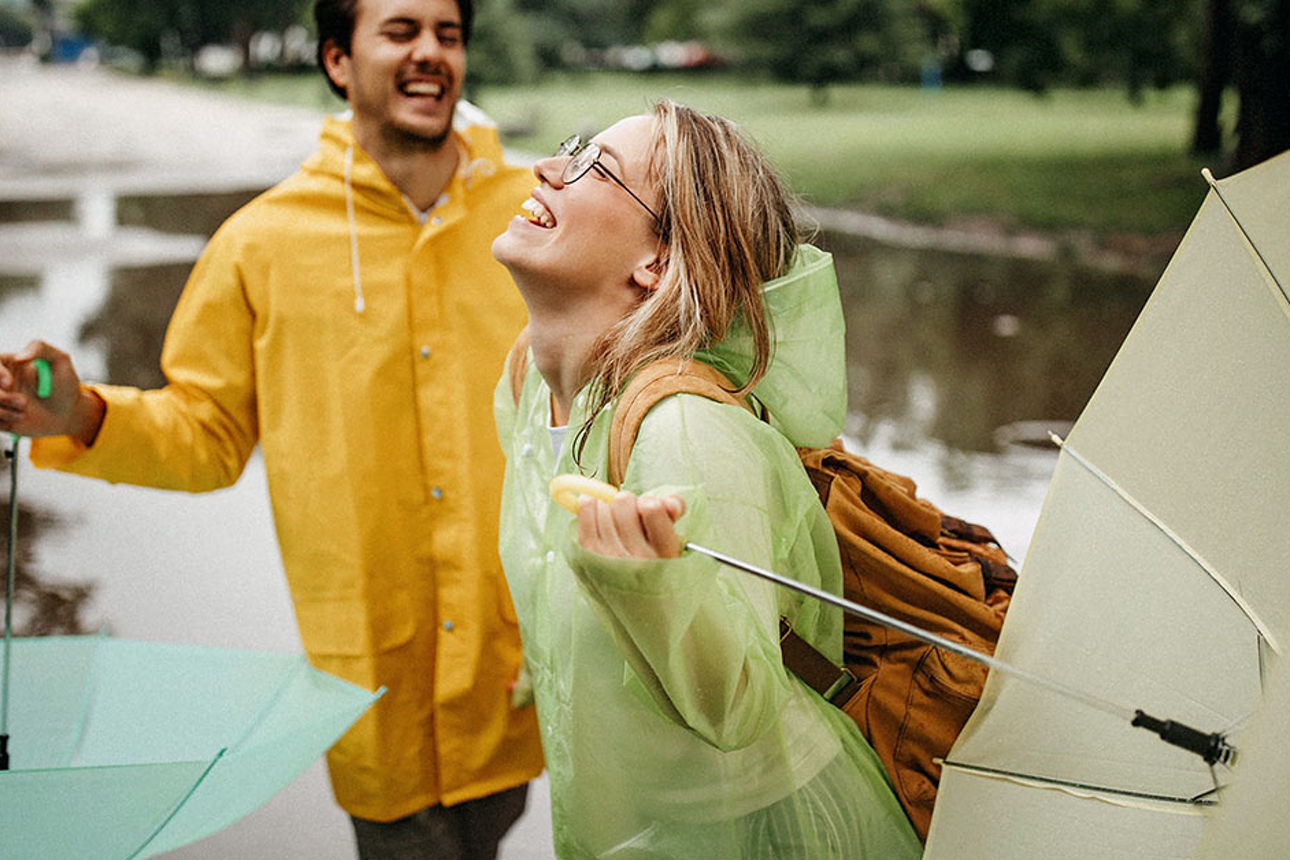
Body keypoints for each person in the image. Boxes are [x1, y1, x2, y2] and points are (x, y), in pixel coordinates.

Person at [0, 0, 544, 856]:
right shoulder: (259, 242)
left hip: (520, 672)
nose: (431, 53)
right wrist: (81, 415)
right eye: (400, 31)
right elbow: (208, 433)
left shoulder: (537, 222)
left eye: (448, 33)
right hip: (370, 684)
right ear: (337, 60)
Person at [490, 99, 923, 858]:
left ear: (657, 263)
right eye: (571, 148)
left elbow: (743, 709)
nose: (548, 168)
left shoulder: (685, 433)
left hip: (771, 835)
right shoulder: (531, 385)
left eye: (596, 167)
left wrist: (649, 587)